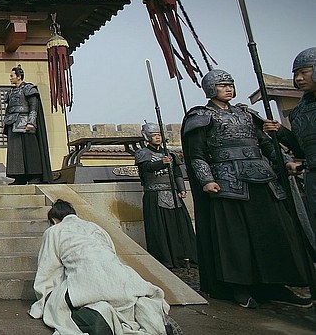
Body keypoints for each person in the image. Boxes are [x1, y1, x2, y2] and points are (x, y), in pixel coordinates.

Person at [181, 69, 311, 308]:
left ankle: (276, 285)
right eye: (222, 85)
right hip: (228, 182)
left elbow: (266, 145)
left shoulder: (246, 114)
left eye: (230, 84)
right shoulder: (201, 116)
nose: (228, 88)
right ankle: (239, 287)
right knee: (235, 239)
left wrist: (285, 162)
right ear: (210, 89)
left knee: (273, 233)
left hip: (263, 180)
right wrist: (206, 180)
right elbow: (197, 154)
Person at [30, 199, 173, 335]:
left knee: (57, 308)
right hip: (126, 280)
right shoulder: (95, 227)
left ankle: (102, 316)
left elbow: (48, 269)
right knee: (131, 303)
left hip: (87, 282)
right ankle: (153, 320)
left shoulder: (54, 231)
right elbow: (111, 253)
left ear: (54, 220)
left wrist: (44, 298)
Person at [264, 47, 316, 232]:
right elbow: (302, 149)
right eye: (296, 74)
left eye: (304, 72)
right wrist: (279, 131)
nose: (299, 78)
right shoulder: (299, 112)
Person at [134, 122, 197, 269]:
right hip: (155, 195)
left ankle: (184, 257)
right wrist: (161, 163)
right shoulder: (143, 153)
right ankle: (165, 259)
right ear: (147, 137)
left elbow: (177, 173)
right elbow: (146, 169)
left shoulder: (170, 154)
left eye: (159, 135)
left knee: (180, 227)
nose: (157, 138)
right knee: (160, 230)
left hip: (173, 194)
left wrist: (181, 189)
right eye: (154, 135)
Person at [4, 65, 52, 184]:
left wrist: (31, 122)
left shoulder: (29, 88)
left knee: (30, 151)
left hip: (25, 123)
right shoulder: (11, 92)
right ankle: (19, 177)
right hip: (12, 123)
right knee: (15, 151)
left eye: (12, 76)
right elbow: (8, 108)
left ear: (19, 76)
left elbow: (33, 107)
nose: (10, 78)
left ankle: (34, 176)